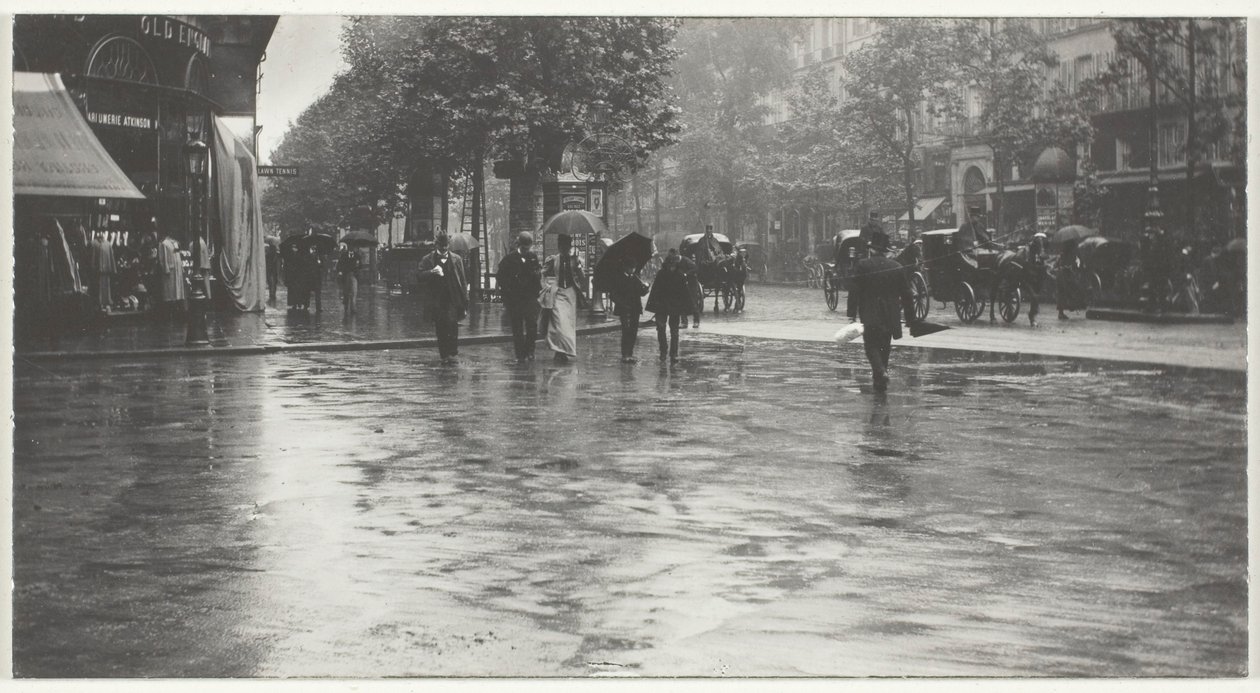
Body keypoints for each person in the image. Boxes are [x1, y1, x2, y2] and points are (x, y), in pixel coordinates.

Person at [847, 231, 917, 393]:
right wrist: (910, 318)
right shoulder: (897, 267)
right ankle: (880, 382)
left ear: (871, 249)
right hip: (890, 315)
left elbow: (854, 290)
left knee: (870, 346)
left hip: (870, 313)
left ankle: (880, 372)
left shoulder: (863, 265)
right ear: (885, 251)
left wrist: (851, 313)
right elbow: (907, 294)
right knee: (885, 347)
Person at [417, 232, 469, 363]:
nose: (444, 249)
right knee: (440, 326)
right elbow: (419, 275)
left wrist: (465, 299)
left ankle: (453, 352)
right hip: (437, 298)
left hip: (452, 297)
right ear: (436, 245)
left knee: (452, 324)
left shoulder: (457, 259)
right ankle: (444, 355)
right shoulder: (428, 259)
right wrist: (431, 272)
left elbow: (462, 279)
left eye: (446, 246)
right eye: (441, 246)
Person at [497, 230, 543, 361]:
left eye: (528, 248)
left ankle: (530, 350)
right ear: (519, 245)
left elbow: (537, 275)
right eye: (524, 248)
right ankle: (520, 354)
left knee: (532, 325)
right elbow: (501, 277)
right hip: (515, 299)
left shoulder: (533, 257)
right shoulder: (510, 259)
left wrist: (537, 276)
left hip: (529, 298)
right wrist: (508, 295)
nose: (526, 250)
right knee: (517, 327)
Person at [542, 233, 587, 363]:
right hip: (558, 293)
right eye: (562, 246)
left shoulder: (575, 260)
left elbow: (582, 278)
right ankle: (558, 349)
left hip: (570, 294)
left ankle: (563, 351)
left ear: (570, 246)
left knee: (568, 324)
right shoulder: (553, 259)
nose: (564, 249)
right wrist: (546, 287)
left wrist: (579, 266)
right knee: (559, 322)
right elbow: (542, 273)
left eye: (567, 246)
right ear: (559, 246)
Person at [646, 249, 693, 363]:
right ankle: (663, 350)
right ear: (667, 265)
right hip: (662, 305)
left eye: (673, 265)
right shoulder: (661, 274)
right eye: (670, 265)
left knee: (674, 331)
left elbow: (685, 292)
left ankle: (674, 353)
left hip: (674, 306)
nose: (672, 268)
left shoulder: (680, 275)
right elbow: (655, 291)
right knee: (661, 329)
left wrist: (687, 308)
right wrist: (654, 305)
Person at [607, 256, 649, 362]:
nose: (632, 270)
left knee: (633, 331)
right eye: (631, 268)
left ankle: (630, 353)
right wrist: (622, 303)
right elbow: (613, 295)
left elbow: (641, 292)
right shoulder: (619, 278)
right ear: (626, 267)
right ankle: (625, 354)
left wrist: (646, 288)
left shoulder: (635, 278)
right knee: (626, 330)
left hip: (635, 308)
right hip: (624, 308)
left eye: (634, 268)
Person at [1056, 237, 1084, 320]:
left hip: (1062, 272)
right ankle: (1072, 306)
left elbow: (1060, 261)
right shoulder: (1074, 249)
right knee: (1072, 289)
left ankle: (1062, 312)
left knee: (1062, 292)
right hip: (1067, 273)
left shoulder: (1064, 249)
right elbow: (1078, 260)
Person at [336, 243, 361, 314]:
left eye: (353, 248)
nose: (352, 250)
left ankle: (353, 308)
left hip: (354, 275)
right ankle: (346, 305)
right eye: (350, 248)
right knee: (346, 292)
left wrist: (358, 265)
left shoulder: (357, 256)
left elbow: (360, 266)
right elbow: (339, 265)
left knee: (354, 292)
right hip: (346, 275)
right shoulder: (344, 255)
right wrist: (340, 271)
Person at [678, 251, 702, 328]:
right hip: (682, 283)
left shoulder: (687, 261)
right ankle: (684, 322)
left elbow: (695, 268)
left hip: (692, 283)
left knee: (693, 301)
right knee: (681, 302)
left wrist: (686, 274)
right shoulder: (674, 262)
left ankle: (696, 321)